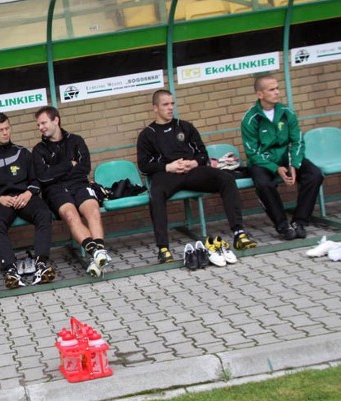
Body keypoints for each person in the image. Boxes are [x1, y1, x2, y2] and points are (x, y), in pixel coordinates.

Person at [137, 90, 257, 263]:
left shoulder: (185, 126)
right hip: (168, 175)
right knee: (155, 194)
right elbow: (144, 166)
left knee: (226, 178)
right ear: (155, 108)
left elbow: (202, 153)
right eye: (165, 104)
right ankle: (163, 249)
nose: (170, 108)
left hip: (192, 172)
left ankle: (239, 234)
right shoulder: (147, 134)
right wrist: (168, 166)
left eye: (172, 104)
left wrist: (193, 163)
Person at [0, 112, 58, 288]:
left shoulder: (22, 153)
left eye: (7, 128)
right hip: (2, 202)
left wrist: (29, 193)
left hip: (25, 197)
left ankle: (41, 265)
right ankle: (10, 271)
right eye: (0, 130)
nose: (5, 133)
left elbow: (36, 180)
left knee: (44, 214)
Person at [32, 106, 112, 277]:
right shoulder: (38, 150)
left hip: (80, 184)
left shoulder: (76, 140)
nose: (41, 127)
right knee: (70, 214)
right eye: (38, 125)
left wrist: (56, 172)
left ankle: (98, 255)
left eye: (44, 123)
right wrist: (68, 165)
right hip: (55, 190)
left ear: (56, 120)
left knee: (93, 210)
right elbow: (44, 178)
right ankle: (97, 253)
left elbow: (84, 168)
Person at [241, 75, 323, 240]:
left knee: (315, 175)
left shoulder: (287, 112)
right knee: (263, 184)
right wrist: (275, 168)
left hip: (287, 157)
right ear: (260, 94)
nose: (277, 92)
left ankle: (299, 221)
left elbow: (297, 140)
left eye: (277, 88)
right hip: (263, 162)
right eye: (272, 89)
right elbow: (252, 151)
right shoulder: (250, 119)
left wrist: (294, 164)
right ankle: (282, 225)